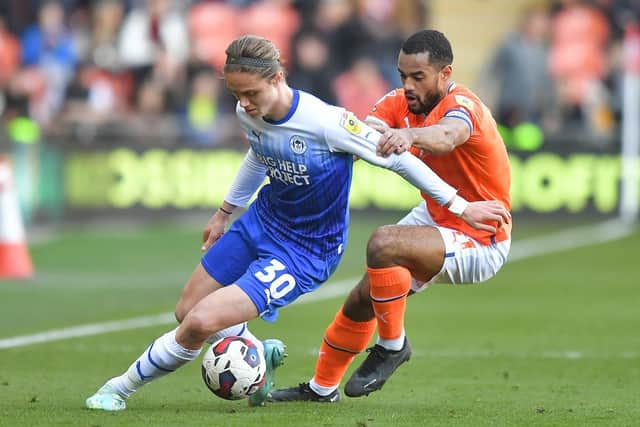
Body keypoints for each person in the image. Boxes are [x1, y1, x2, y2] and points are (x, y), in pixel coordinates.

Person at [84, 34, 508, 411]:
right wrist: (224, 213)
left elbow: (415, 148)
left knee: (202, 322)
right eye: (238, 95)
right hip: (263, 222)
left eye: (251, 93)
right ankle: (285, 369)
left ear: (277, 79)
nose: (244, 104)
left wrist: (459, 204)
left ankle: (117, 389)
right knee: (187, 311)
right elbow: (259, 150)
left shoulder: (329, 122)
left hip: (315, 249)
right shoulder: (249, 110)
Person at [268, 29, 513, 403]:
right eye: (403, 76)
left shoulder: (465, 107)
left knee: (383, 243)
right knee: (362, 299)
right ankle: (321, 389)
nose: (408, 85)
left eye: (419, 77)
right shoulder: (400, 103)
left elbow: (448, 135)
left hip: (481, 232)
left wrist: (409, 137)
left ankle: (393, 346)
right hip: (437, 216)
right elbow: (363, 132)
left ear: (445, 74)